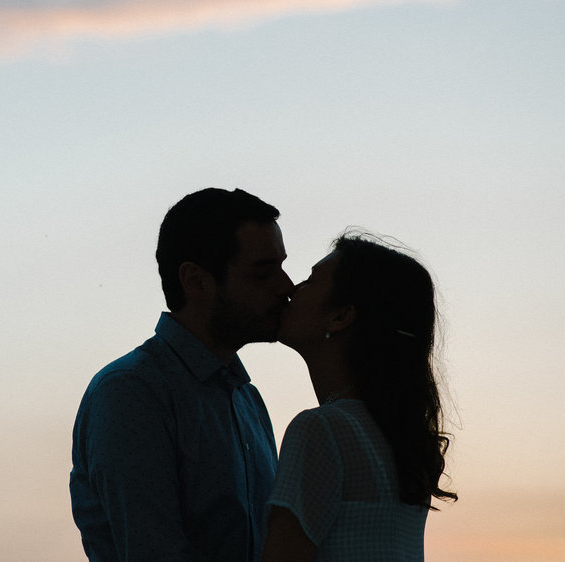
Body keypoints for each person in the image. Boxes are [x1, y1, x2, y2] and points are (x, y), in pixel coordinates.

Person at [70, 188, 295, 562]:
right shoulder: (131, 394)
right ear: (196, 280)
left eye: (281, 267)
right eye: (263, 272)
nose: (286, 287)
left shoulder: (246, 399)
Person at [261, 233, 457, 561]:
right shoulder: (401, 439)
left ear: (341, 316)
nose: (292, 290)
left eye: (311, 281)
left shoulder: (322, 430)